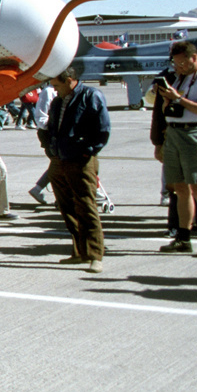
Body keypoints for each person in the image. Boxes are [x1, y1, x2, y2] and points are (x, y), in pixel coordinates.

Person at [157, 41, 197, 258]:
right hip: (175, 132)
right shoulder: (180, 77)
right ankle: (183, 237)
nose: (179, 67)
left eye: (183, 63)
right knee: (180, 188)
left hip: (196, 133)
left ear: (194, 58)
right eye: (176, 63)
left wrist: (179, 99)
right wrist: (168, 100)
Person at [47, 67, 111, 272]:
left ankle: (95, 255)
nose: (54, 90)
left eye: (57, 85)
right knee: (67, 207)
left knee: (86, 205)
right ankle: (79, 251)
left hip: (81, 159)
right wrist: (51, 148)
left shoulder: (91, 96)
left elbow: (103, 130)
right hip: (60, 158)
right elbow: (53, 127)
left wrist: (88, 151)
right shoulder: (59, 101)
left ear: (70, 80)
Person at [28, 83, 55, 205]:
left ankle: (38, 189)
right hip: (49, 134)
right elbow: (41, 118)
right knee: (60, 164)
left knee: (58, 165)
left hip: (57, 133)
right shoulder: (48, 92)